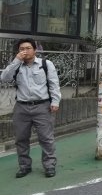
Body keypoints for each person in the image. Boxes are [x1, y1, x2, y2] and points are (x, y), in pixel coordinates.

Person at [1, 38, 61, 178]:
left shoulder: (46, 64)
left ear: (34, 50)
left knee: (46, 138)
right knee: (21, 139)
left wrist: (56, 101)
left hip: (42, 106)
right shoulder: (16, 66)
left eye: (28, 48)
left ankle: (49, 166)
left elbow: (54, 84)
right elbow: (4, 78)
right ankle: (24, 166)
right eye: (22, 49)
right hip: (21, 107)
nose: (25, 51)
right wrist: (16, 61)